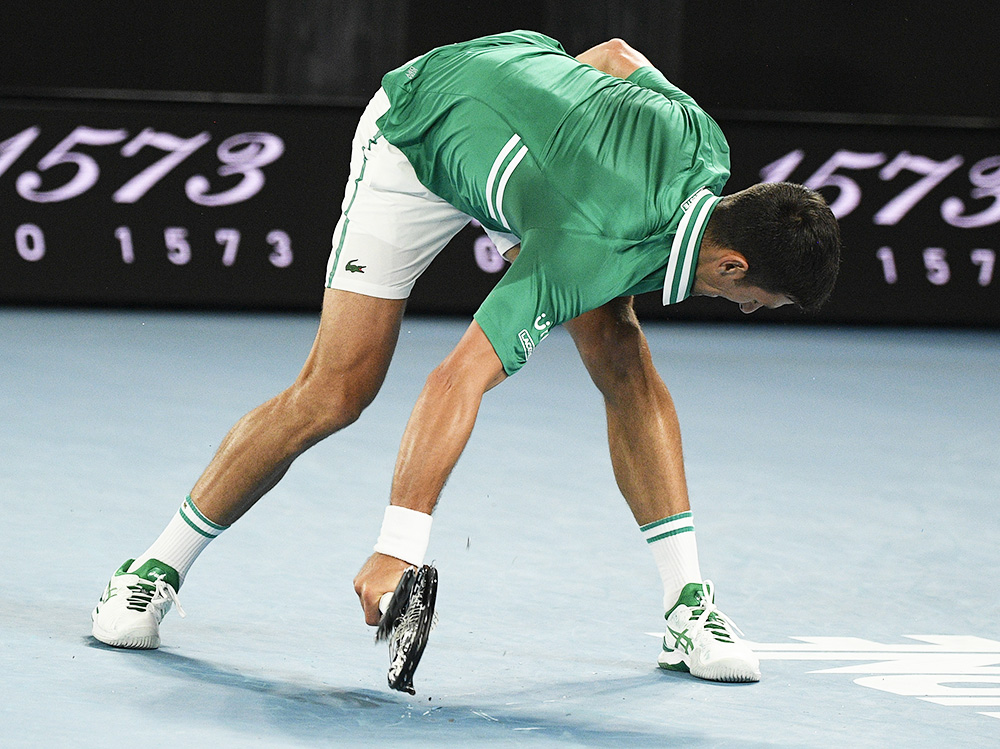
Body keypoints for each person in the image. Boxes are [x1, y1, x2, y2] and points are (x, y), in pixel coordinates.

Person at [92, 30, 840, 684]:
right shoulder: (588, 243)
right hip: (419, 131)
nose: (750, 314)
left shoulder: (702, 142)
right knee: (336, 390)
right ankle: (152, 568)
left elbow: (612, 57)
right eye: (761, 303)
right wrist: (397, 548)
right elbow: (456, 376)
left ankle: (688, 605)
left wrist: (539, 173)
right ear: (736, 266)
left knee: (620, 349)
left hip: (514, 107)